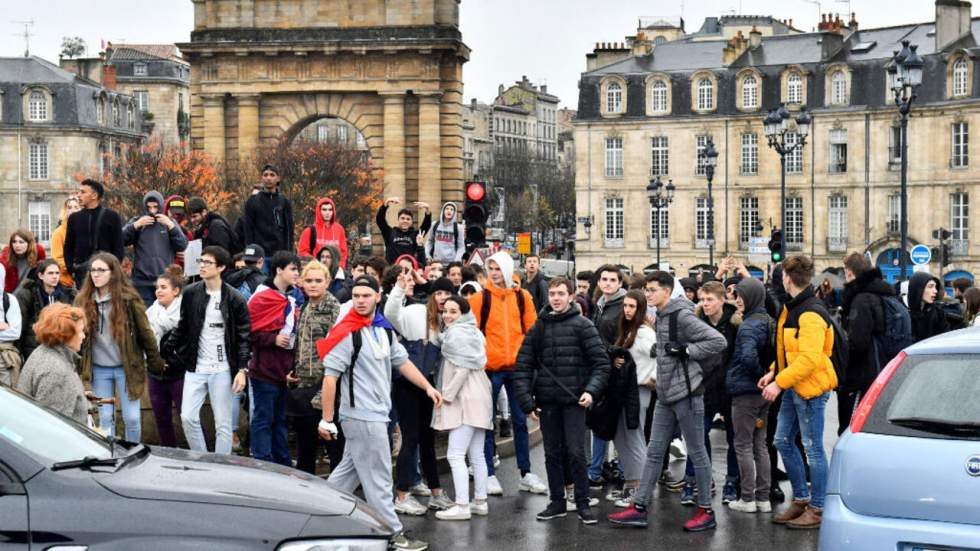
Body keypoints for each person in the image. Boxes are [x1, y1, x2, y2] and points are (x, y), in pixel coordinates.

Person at [318, 275, 443, 551]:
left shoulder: (383, 329)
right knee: (380, 479)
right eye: (357, 296)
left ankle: (313, 518)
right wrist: (326, 419)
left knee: (345, 476)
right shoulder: (347, 332)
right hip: (362, 417)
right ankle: (392, 534)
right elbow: (330, 378)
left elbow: (402, 362)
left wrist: (427, 388)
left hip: (376, 415)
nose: (361, 301)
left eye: (366, 295)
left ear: (377, 297)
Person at [608, 270, 727, 532]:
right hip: (666, 393)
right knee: (654, 450)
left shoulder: (681, 315)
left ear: (666, 291)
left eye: (651, 290)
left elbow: (718, 340)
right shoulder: (661, 315)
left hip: (687, 393)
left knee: (697, 452)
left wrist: (686, 350)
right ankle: (639, 507)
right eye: (646, 289)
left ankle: (706, 510)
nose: (647, 294)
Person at [513, 277, 610, 524]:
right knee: (552, 453)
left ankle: (582, 503)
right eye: (552, 293)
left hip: (575, 401)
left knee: (576, 453)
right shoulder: (538, 328)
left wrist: (591, 391)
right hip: (547, 402)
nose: (555, 298)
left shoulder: (584, 325)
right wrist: (526, 401)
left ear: (570, 296)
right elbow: (523, 365)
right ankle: (557, 502)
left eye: (560, 293)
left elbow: (601, 364)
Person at [759, 255, 837, 530]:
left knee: (813, 448)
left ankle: (818, 507)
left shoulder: (810, 312)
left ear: (787, 278)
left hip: (809, 388)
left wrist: (778, 382)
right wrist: (774, 370)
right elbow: (789, 351)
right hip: (794, 384)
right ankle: (802, 499)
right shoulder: (794, 307)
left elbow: (810, 359)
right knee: (782, 440)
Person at [469, 251, 545, 496]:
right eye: (490, 269)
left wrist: (529, 362)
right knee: (487, 422)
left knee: (521, 421)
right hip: (489, 369)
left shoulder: (523, 297)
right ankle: (489, 473)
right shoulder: (481, 299)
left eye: (497, 268)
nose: (494, 273)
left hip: (517, 368)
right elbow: (472, 332)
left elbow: (532, 331)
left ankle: (526, 473)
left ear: (507, 269)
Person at [76, 252, 164, 442]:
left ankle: (133, 453)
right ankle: (110, 456)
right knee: (105, 418)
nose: (96, 274)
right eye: (93, 270)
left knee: (132, 418)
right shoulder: (83, 300)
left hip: (127, 368)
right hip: (99, 370)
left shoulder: (129, 299)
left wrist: (155, 361)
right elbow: (74, 336)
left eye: (101, 270)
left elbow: (145, 333)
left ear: (113, 273)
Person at [385, 273, 453, 514]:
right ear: (432, 295)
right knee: (410, 439)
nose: (444, 298)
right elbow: (391, 314)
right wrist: (399, 288)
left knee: (427, 440)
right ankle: (402, 496)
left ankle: (436, 492)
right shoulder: (417, 313)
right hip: (408, 385)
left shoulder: (448, 322)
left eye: (448, 294)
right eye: (440, 293)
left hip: (429, 387)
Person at [173, 246, 251, 454]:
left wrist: (242, 369)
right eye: (201, 261)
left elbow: (244, 337)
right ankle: (202, 458)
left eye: (208, 263)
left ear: (222, 267)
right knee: (187, 417)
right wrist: (168, 353)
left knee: (223, 424)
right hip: (195, 365)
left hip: (222, 368)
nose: (203, 266)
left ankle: (222, 466)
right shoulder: (190, 293)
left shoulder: (235, 298)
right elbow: (183, 327)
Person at [430, 295, 493, 520]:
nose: (447, 315)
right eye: (445, 311)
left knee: (455, 455)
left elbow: (462, 370)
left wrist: (445, 396)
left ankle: (462, 506)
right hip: (480, 397)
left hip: (465, 398)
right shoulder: (473, 332)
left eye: (453, 311)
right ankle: (480, 501)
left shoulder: (457, 335)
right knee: (476, 454)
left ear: (463, 314)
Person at [686, 280, 741, 506]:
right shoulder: (697, 322)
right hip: (704, 386)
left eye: (709, 299)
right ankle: (698, 479)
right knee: (699, 436)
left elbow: (738, 355)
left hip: (729, 388)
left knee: (734, 438)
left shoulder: (736, 324)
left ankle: (731, 481)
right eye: (702, 299)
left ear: (721, 300)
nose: (705, 303)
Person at [725, 277, 774, 514]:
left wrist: (759, 375)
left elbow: (747, 356)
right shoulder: (768, 320)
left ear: (752, 296)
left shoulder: (748, 325)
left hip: (746, 392)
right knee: (759, 444)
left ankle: (747, 498)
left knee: (743, 444)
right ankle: (763, 498)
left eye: (741, 295)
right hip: (764, 393)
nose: (737, 299)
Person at [248, 251, 301, 466]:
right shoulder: (261, 297)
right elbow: (248, 332)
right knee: (263, 418)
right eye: (293, 269)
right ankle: (262, 460)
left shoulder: (295, 296)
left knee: (280, 420)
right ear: (279, 269)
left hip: (285, 369)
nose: (297, 273)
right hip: (264, 370)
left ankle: (282, 461)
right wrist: (272, 339)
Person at [600, 289, 652, 507]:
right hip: (625, 390)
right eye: (626, 306)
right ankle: (631, 485)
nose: (628, 310)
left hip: (639, 391)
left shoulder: (645, 333)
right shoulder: (629, 330)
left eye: (633, 306)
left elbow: (659, 357)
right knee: (622, 439)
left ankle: (638, 491)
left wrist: (652, 379)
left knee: (634, 439)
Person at [290, 260, 341, 474]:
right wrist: (294, 371)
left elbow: (338, 351)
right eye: (308, 280)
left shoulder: (334, 309)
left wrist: (324, 393)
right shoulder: (304, 306)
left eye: (318, 281)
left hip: (326, 388)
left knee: (334, 447)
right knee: (305, 450)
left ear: (327, 282)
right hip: (303, 385)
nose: (313, 285)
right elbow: (301, 343)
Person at [838, 253, 894, 432]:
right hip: (881, 369)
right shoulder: (883, 293)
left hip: (861, 376)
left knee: (850, 429)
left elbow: (858, 342)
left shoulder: (861, 299)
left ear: (849, 273)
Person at [15, 303, 89, 423]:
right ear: (65, 335)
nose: (83, 336)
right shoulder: (57, 372)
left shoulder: (43, 352)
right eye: (80, 331)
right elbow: (52, 427)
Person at [588, 265, 626, 489]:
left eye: (613, 280)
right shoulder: (600, 305)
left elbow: (626, 337)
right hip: (600, 369)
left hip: (616, 372)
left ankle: (621, 470)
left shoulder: (622, 306)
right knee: (598, 423)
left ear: (620, 283)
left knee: (617, 425)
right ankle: (595, 470)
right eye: (604, 279)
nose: (608, 283)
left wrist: (614, 356)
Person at [122, 191, 190, 306]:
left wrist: (171, 226)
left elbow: (182, 245)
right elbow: (121, 240)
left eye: (155, 207)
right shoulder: (138, 221)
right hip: (142, 281)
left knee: (166, 317)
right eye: (149, 207)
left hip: (166, 280)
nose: (152, 210)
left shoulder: (169, 222)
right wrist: (135, 226)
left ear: (160, 206)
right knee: (146, 318)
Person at [145, 266, 186, 448]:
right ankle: (169, 452)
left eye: (163, 287)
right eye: (157, 287)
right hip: (155, 372)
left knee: (188, 417)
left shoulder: (185, 312)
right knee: (161, 417)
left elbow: (188, 344)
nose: (158, 291)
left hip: (178, 373)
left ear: (176, 291)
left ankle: (200, 453)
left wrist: (172, 363)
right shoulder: (151, 312)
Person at [15, 259, 77, 360]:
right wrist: (18, 351)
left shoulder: (68, 295)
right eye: (50, 273)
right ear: (41, 276)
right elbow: (21, 324)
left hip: (60, 347)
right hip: (33, 347)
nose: (55, 276)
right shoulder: (28, 293)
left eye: (57, 273)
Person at [64, 179, 124, 283]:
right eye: (78, 192)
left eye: (83, 192)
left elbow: (118, 247)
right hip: (81, 274)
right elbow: (68, 247)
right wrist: (71, 269)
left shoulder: (112, 217)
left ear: (94, 195)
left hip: (106, 273)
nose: (78, 195)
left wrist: (113, 270)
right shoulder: (74, 218)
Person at [242, 164, 295, 267]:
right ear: (261, 178)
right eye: (265, 175)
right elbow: (248, 229)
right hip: (260, 254)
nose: (268, 178)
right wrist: (250, 251)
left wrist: (288, 252)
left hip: (279, 254)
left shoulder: (284, 202)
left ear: (278, 178)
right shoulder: (252, 201)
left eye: (272, 175)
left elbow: (289, 230)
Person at [376, 197, 432, 264]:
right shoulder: (390, 232)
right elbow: (380, 220)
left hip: (409, 269)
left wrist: (428, 210)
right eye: (402, 218)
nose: (405, 221)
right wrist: (386, 204)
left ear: (411, 222)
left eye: (408, 219)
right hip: (392, 269)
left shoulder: (416, 235)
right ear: (398, 220)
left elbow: (426, 225)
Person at [299, 197, 349, 270]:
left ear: (333, 211)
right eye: (324, 209)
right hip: (316, 270)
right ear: (319, 211)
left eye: (330, 209)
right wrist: (316, 263)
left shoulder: (339, 229)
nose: (327, 212)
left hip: (335, 271)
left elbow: (343, 252)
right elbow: (302, 253)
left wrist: (340, 268)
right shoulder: (309, 231)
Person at [908, 272, 950, 342]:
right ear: (919, 289)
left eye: (935, 287)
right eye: (930, 286)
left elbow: (945, 336)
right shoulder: (902, 311)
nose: (935, 291)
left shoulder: (937, 311)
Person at [50, 196, 82, 289]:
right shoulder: (58, 233)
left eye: (76, 207)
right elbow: (57, 259)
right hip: (65, 283)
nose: (72, 210)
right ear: (65, 210)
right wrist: (74, 267)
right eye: (69, 207)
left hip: (86, 281)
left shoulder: (87, 230)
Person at [0, 264, 23, 386]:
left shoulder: (10, 300)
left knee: (8, 398)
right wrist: (3, 325)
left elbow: (15, 332)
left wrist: (8, 327)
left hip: (5, 358)